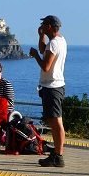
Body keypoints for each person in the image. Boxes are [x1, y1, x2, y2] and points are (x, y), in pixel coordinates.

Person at [29, 15, 67, 168]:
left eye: (44, 24)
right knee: (54, 121)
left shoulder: (54, 44)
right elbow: (44, 50)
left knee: (56, 122)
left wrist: (35, 56)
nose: (42, 26)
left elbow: (45, 66)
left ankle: (58, 156)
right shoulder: (60, 41)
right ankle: (57, 154)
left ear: (50, 26)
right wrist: (41, 37)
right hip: (54, 86)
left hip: (52, 87)